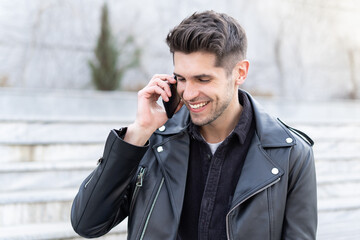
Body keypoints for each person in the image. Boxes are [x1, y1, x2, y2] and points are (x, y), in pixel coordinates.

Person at [71, 10, 317, 240]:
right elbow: (87, 223)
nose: (188, 94)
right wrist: (139, 131)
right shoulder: (154, 140)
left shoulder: (291, 154)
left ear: (240, 73)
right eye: (181, 79)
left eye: (203, 79)